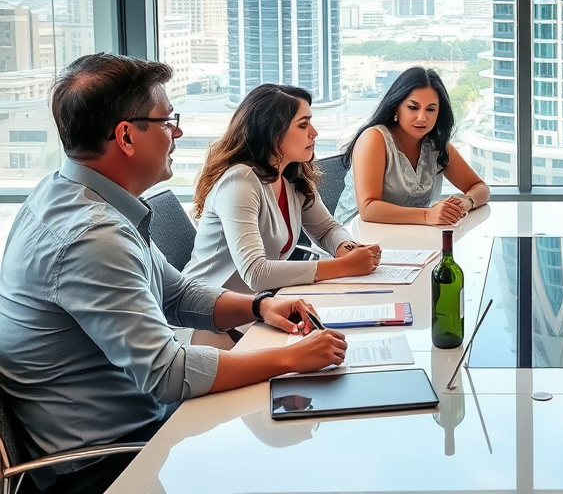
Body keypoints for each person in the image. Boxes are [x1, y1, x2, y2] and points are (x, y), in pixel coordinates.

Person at [0, 55, 347, 494]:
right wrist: (291, 359)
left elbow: (175, 294)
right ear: (126, 136)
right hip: (107, 463)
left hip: (139, 427)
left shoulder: (76, 197)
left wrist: (260, 305)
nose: (177, 132)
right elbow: (168, 374)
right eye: (167, 121)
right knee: (297, 463)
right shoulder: (92, 236)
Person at [183, 84, 381, 294]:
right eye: (303, 125)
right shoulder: (239, 181)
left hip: (259, 305)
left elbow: (326, 229)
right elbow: (255, 273)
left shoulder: (291, 177)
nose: (314, 133)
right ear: (274, 133)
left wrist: (348, 250)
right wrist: (345, 266)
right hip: (210, 313)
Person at [335, 66, 489, 225]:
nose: (422, 117)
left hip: (411, 235)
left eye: (430, 109)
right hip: (357, 236)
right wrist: (427, 215)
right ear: (396, 107)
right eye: (413, 107)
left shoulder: (437, 146)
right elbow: (368, 209)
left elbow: (480, 187)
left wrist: (466, 202)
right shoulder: (374, 138)